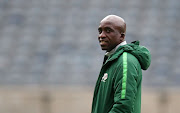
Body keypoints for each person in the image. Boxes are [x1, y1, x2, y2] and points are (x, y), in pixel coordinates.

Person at [91, 15, 151, 113]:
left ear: (122, 36)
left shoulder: (125, 61)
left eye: (108, 30)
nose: (101, 35)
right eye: (100, 31)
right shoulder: (113, 59)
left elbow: (123, 107)